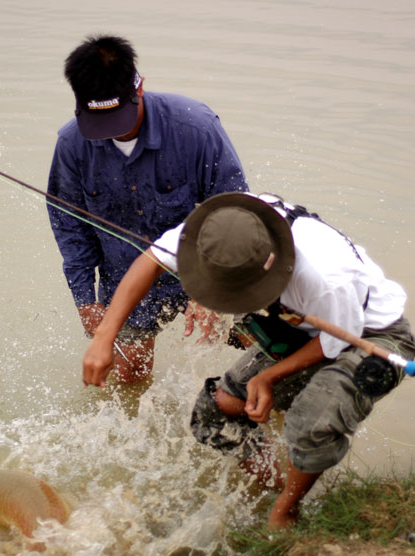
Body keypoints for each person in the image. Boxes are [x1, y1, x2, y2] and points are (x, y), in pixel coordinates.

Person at [82, 191, 415, 528]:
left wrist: (267, 378)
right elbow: (151, 259)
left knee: (309, 421)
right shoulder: (219, 232)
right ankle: (283, 485)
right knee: (216, 410)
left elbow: (335, 342)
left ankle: (286, 512)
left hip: (372, 336)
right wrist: (105, 336)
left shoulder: (327, 276)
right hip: (304, 331)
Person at [47, 34, 247, 384]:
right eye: (99, 123)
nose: (111, 133)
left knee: (260, 343)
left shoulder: (196, 127)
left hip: (199, 270)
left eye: (117, 119)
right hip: (125, 280)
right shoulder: (71, 145)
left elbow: (235, 213)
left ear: (138, 88)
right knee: (128, 381)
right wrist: (85, 299)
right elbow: (69, 225)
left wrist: (215, 291)